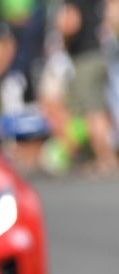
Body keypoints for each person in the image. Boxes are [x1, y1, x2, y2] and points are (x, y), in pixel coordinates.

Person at [43, 0, 118, 172]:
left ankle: (105, 158)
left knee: (93, 111)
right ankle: (107, 156)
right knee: (100, 109)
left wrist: (62, 37)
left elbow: (71, 23)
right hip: (101, 55)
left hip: (85, 58)